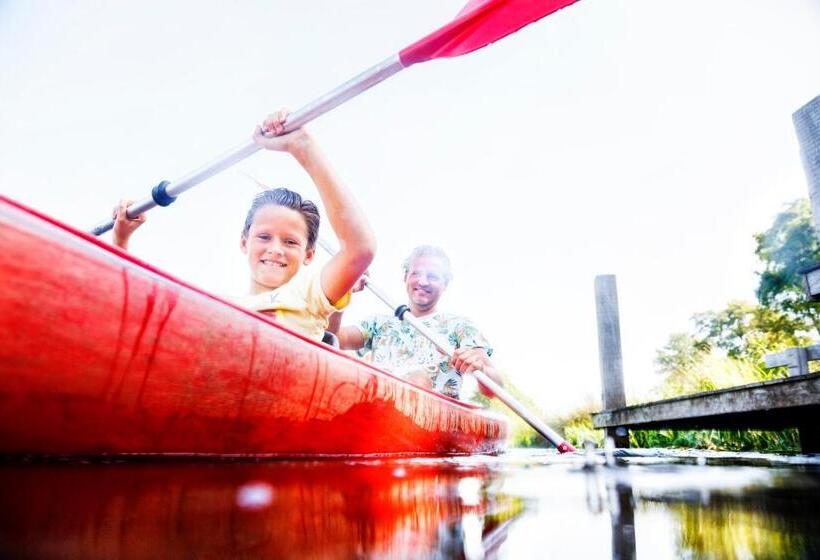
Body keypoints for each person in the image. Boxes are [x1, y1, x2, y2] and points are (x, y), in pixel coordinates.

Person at [111, 109, 376, 341]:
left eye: (290, 241)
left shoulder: (309, 295)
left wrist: (303, 147)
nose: (276, 249)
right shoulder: (218, 305)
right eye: (264, 237)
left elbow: (360, 249)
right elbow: (131, 314)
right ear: (243, 242)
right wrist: (121, 240)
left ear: (309, 255)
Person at [333, 245, 503, 400]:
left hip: (430, 424)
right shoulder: (378, 323)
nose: (423, 282)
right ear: (406, 277)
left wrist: (480, 367)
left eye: (433, 276)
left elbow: (493, 389)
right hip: (379, 412)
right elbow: (334, 338)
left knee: (418, 378)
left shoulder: (460, 327)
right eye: (416, 273)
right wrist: (342, 288)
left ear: (445, 284)